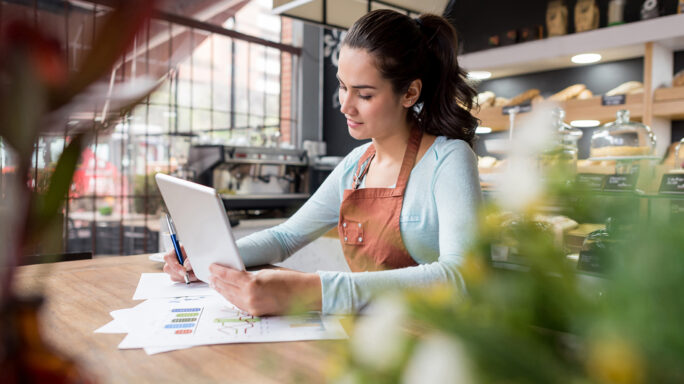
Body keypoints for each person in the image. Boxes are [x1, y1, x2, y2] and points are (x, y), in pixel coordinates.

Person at [163, 9, 481, 316]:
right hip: (376, 340)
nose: (345, 106)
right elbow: (285, 237)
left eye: (364, 94)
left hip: (436, 342)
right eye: (343, 87)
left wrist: (311, 290)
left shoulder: (449, 159)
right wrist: (208, 260)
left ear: (410, 93)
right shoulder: (356, 166)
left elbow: (460, 278)